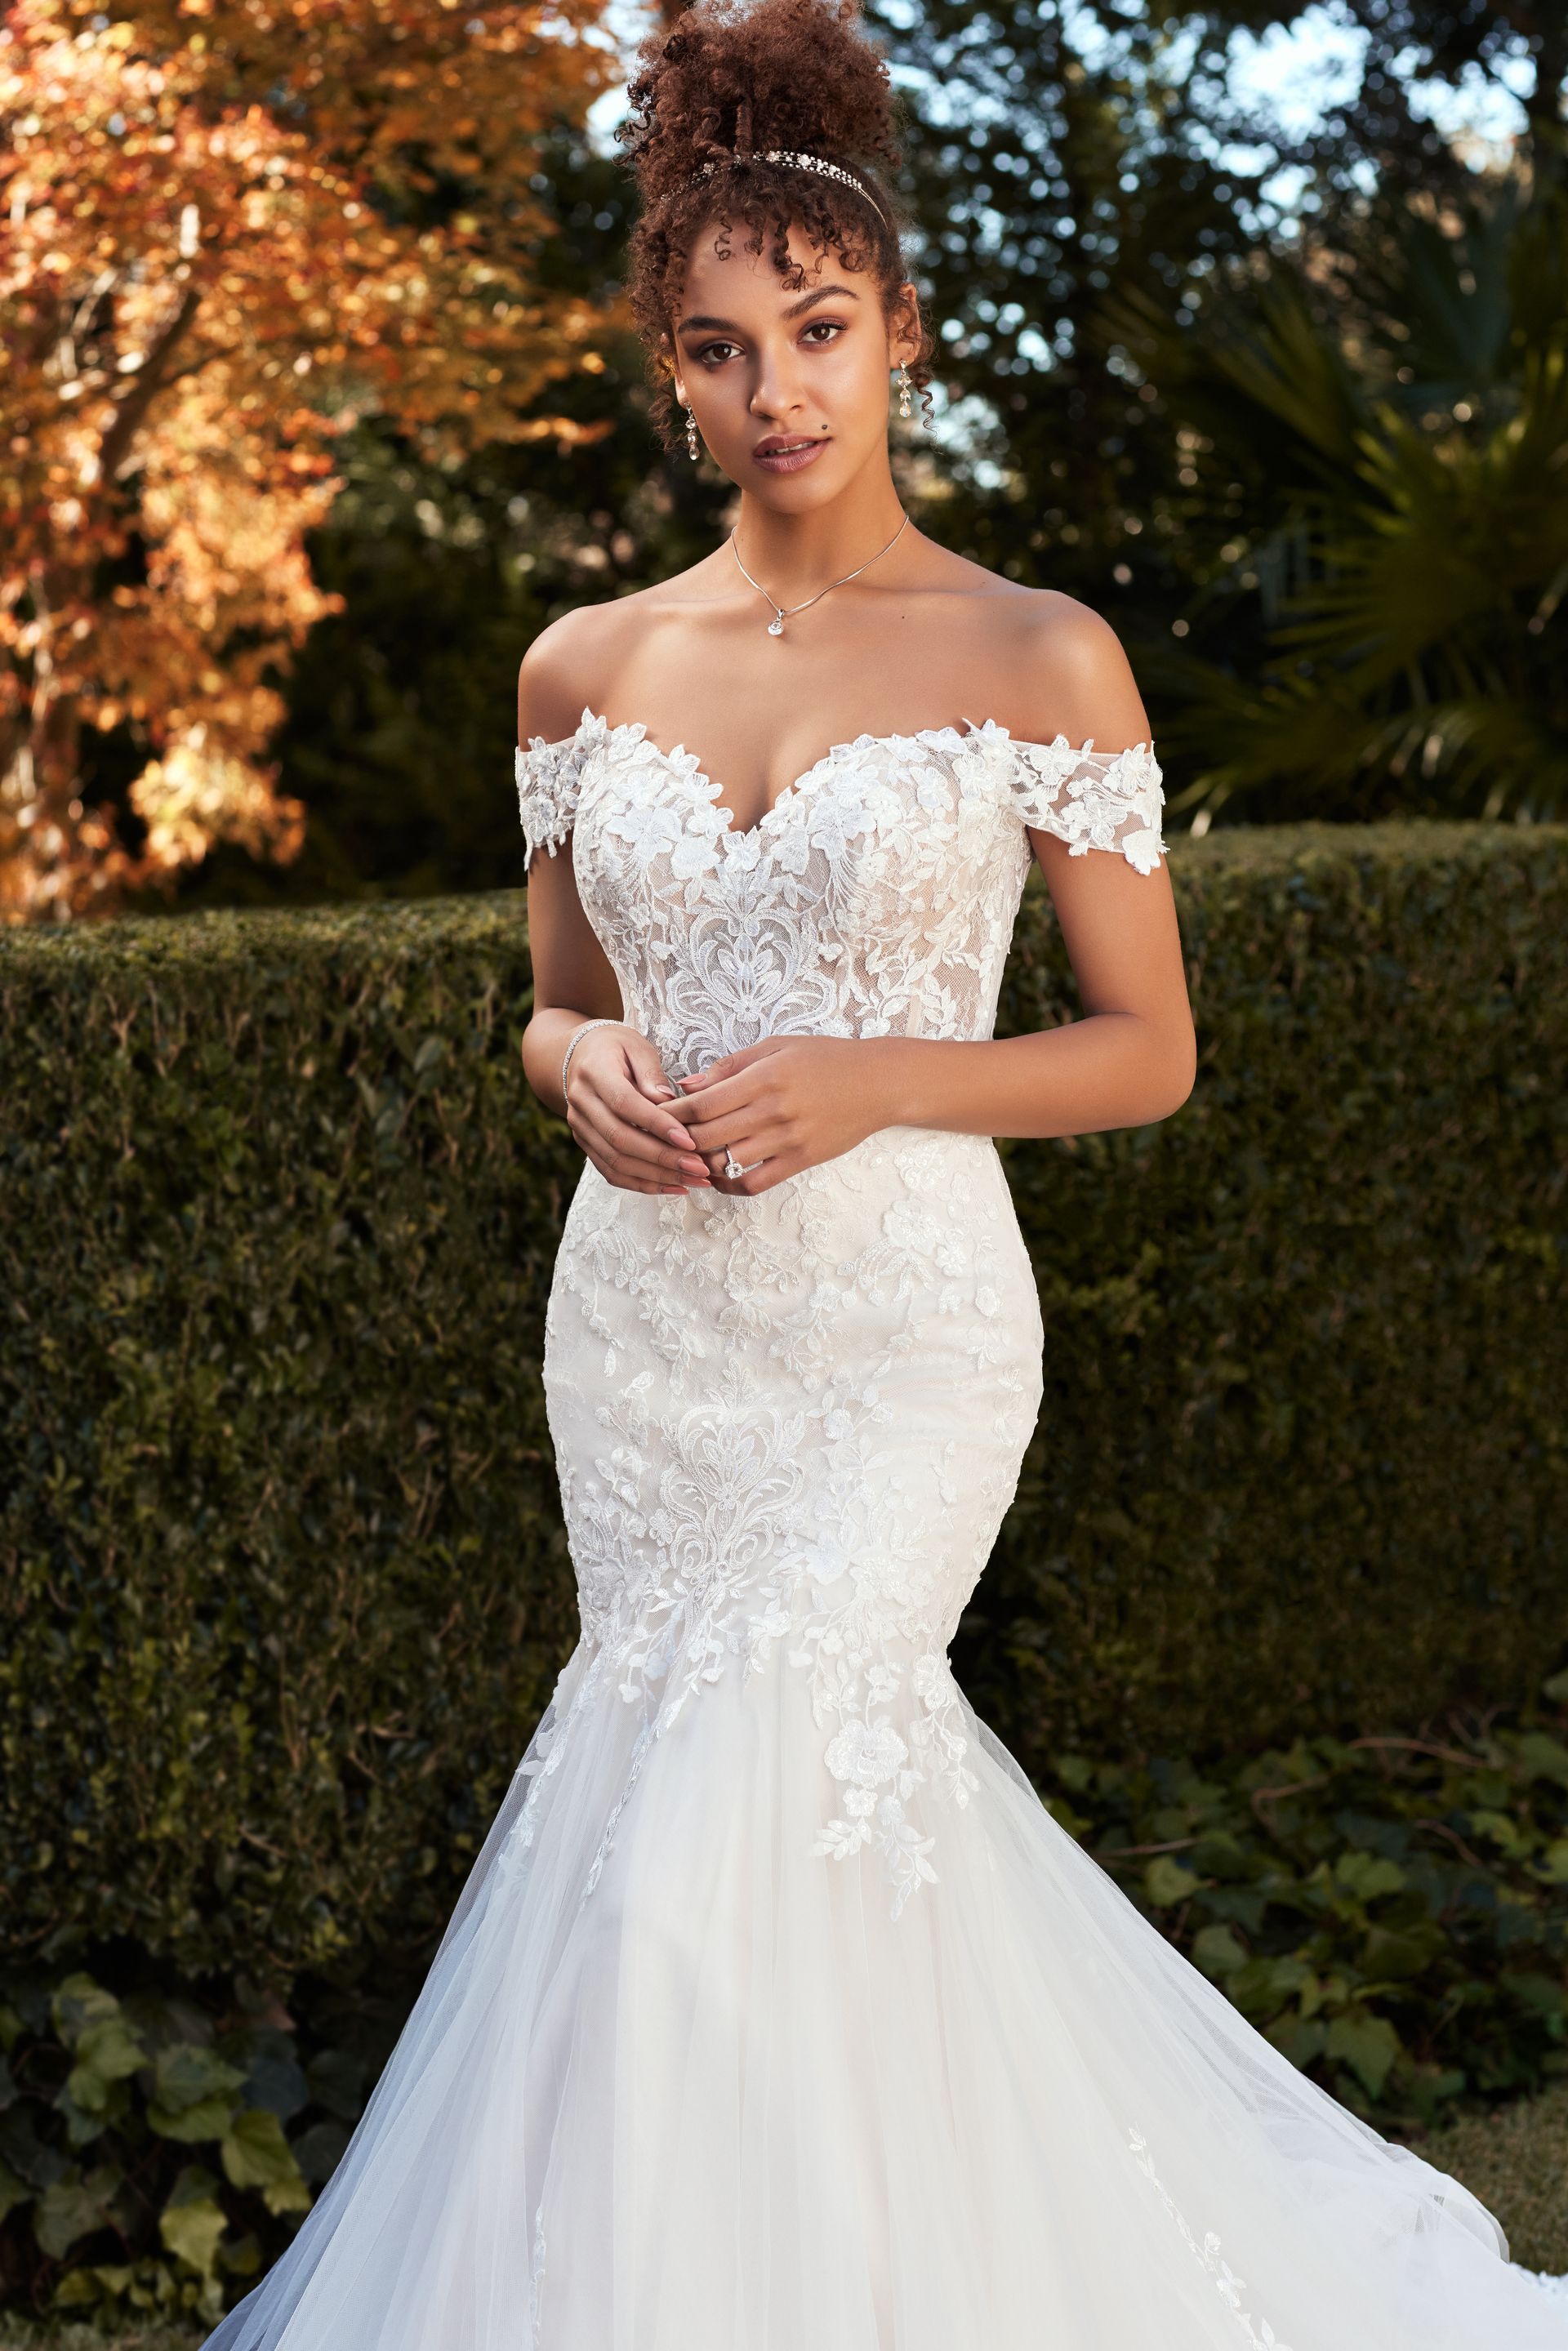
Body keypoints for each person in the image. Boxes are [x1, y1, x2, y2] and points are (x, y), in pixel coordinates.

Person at [203, 2, 1568, 2345]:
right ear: (668, 376)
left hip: (898, 1343)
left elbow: (1148, 1052)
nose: (778, 391)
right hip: (643, 1339)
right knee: (697, 1831)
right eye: (721, 349)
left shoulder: (1043, 653)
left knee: (747, 1803)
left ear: (902, 329)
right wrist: (570, 1064)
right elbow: (549, 993)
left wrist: (879, 1073)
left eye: (819, 331)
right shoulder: (576, 668)